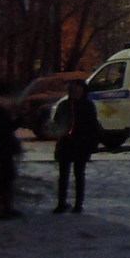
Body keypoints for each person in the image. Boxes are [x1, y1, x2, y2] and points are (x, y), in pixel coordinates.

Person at [54, 77, 101, 214]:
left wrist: (90, 142)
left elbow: (92, 125)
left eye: (78, 91)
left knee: (79, 174)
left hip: (81, 144)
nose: (76, 93)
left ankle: (78, 204)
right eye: (74, 91)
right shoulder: (64, 105)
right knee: (63, 175)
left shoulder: (88, 106)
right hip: (66, 144)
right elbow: (58, 121)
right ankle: (61, 203)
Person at [0, 80, 22, 220]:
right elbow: (6, 128)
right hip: (3, 147)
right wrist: (18, 120)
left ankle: (4, 207)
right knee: (4, 178)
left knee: (6, 177)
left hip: (2, 146)